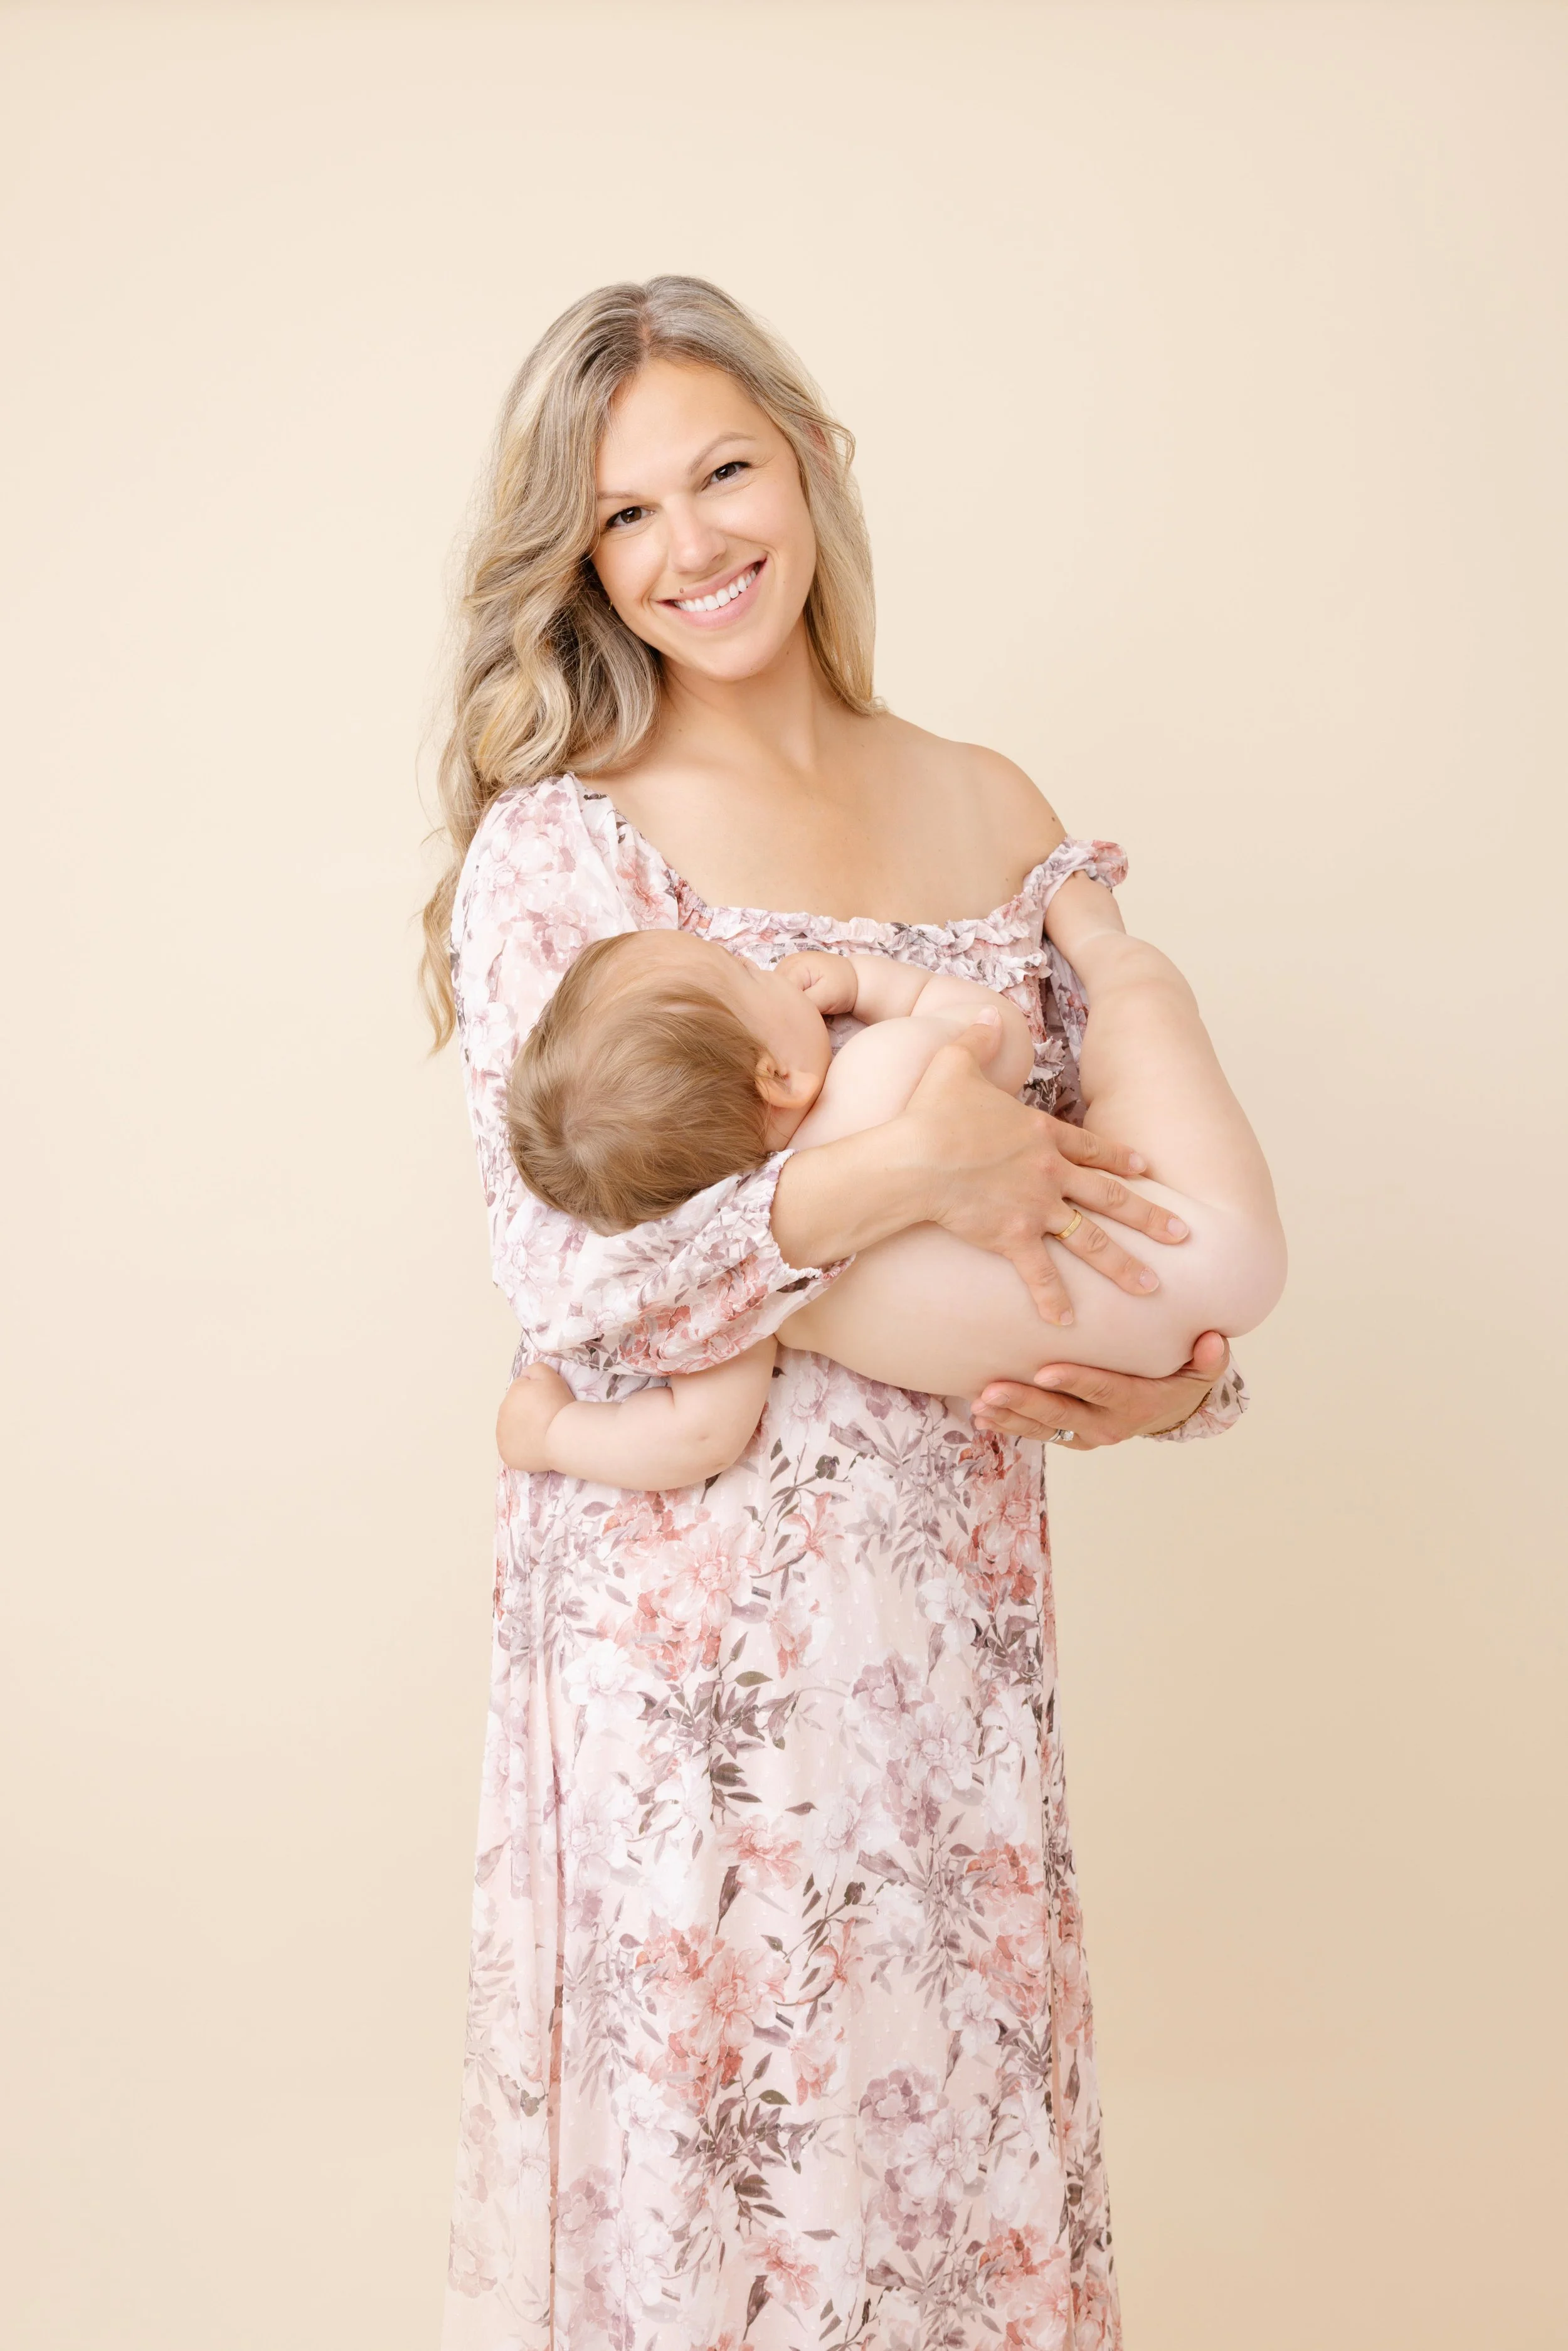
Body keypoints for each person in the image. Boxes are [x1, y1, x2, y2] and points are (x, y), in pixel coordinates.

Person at [426, 274, 1249, 2351]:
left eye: (723, 470)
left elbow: (1131, 1184)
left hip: (948, 1633)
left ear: (806, 468)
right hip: (682, 1645)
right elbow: (577, 1278)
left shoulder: (988, 803)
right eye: (624, 514)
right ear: (578, 561)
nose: (693, 543)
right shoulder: (566, 849)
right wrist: (897, 1175)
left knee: (950, 2174)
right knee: (728, 2196)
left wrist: (1174, 1388)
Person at [495, 878, 1283, 1489]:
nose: (770, 967)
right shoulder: (880, 1073)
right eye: (745, 971)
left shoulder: (755, 1300)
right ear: (778, 1075)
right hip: (1199, 1236)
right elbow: (995, 1032)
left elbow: (696, 1438)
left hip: (1141, 1354)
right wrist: (865, 982)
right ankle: (1105, 945)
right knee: (1139, 1002)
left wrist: (553, 1435)